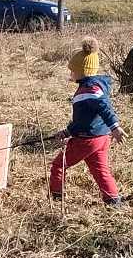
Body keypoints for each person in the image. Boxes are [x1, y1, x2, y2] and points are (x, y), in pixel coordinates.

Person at [49, 47, 125, 206]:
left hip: (86, 140)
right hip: (101, 137)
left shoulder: (90, 90)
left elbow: (105, 109)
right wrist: (67, 131)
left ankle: (56, 199)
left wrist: (115, 127)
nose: (71, 73)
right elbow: (84, 119)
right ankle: (113, 201)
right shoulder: (96, 85)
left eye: (73, 70)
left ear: (83, 71)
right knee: (100, 170)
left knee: (58, 165)